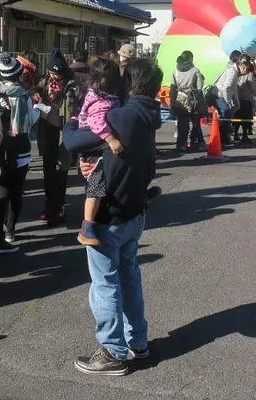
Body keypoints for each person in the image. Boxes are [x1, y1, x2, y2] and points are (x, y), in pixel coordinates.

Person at [62, 58, 162, 376]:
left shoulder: (119, 116)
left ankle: (113, 352)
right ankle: (138, 342)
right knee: (130, 278)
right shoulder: (150, 113)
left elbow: (72, 141)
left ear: (129, 82)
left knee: (105, 284)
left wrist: (68, 120)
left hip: (110, 213)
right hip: (135, 211)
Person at [0, 53, 47, 253]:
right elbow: (27, 122)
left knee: (2, 194)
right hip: (19, 148)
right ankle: (9, 230)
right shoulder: (21, 95)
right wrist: (40, 109)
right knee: (16, 192)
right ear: (19, 73)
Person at [76, 57, 125, 246]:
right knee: (96, 186)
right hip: (94, 149)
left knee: (102, 183)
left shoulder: (99, 95)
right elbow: (97, 123)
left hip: (92, 147)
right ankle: (86, 226)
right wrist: (111, 139)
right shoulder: (101, 100)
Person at [34, 49, 82, 226]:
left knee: (61, 170)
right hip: (47, 130)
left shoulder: (72, 85)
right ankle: (49, 204)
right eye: (52, 73)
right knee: (48, 170)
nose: (55, 77)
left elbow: (79, 108)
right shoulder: (42, 82)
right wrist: (34, 95)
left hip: (65, 131)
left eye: (58, 74)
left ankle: (59, 206)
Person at [170, 50, 206, 152]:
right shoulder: (195, 70)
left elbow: (172, 88)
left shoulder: (175, 71)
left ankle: (181, 144)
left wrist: (172, 102)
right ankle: (198, 143)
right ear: (191, 59)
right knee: (195, 123)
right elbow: (200, 87)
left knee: (182, 123)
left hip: (180, 99)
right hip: (192, 98)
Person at [213, 51, 241, 147]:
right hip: (218, 95)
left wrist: (236, 103)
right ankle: (223, 140)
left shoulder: (232, 69)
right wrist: (228, 101)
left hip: (219, 95)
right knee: (225, 114)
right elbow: (226, 87)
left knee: (226, 115)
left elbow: (234, 89)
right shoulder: (233, 71)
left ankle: (224, 138)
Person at [235, 55, 256, 143]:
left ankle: (235, 134)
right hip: (246, 98)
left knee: (237, 117)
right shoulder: (249, 73)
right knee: (246, 118)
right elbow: (252, 87)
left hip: (237, 97)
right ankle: (245, 136)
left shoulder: (237, 72)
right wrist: (254, 93)